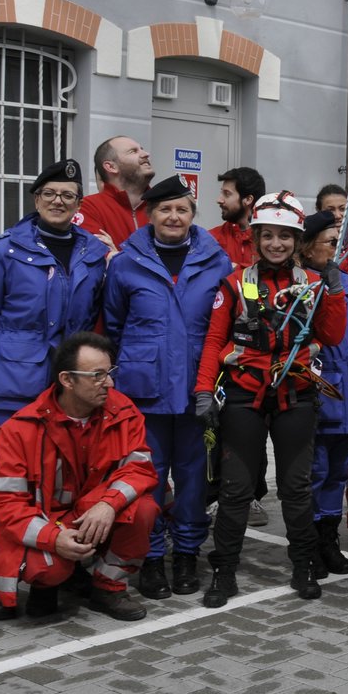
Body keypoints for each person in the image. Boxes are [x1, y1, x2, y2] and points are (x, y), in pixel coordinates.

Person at [196, 190, 347, 607]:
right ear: (256, 238)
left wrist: (334, 292)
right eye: (268, 236)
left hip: (294, 395)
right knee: (236, 489)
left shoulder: (313, 285)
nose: (276, 244)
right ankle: (224, 570)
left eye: (284, 236)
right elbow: (214, 342)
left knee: (296, 488)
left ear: (297, 241)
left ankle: (304, 564)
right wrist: (204, 391)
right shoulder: (234, 284)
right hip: (244, 394)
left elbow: (332, 336)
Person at [0, 160, 110, 614]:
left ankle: (59, 570)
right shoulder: (2, 251)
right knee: (3, 483)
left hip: (68, 387)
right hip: (10, 386)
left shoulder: (92, 252)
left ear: (78, 205)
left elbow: (92, 319)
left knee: (65, 481)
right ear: (35, 199)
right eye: (50, 193)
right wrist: (3, 362)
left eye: (68, 195)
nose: (58, 201)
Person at [101, 176, 230, 601]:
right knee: (147, 479)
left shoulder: (217, 262)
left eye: (182, 210)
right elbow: (115, 327)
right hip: (145, 391)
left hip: (198, 388)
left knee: (194, 480)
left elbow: (224, 326)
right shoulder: (125, 263)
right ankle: (151, 557)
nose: (173, 217)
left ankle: (187, 555)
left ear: (194, 216)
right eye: (165, 210)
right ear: (150, 215)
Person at [0, 333, 159, 622]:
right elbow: (1, 503)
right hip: (51, 521)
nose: (110, 383)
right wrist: (54, 538)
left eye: (110, 372)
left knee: (145, 508)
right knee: (47, 568)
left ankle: (107, 587)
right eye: (98, 375)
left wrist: (109, 504)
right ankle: (50, 583)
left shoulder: (122, 411)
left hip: (95, 510)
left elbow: (139, 468)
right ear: (67, 380)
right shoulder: (21, 429)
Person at [300, 210, 348, 580]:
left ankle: (329, 538)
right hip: (324, 391)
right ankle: (310, 542)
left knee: (339, 472)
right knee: (317, 470)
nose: (337, 249)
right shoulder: (303, 287)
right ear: (308, 249)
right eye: (330, 242)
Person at [76, 136, 152, 254]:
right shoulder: (88, 207)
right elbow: (98, 259)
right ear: (111, 167)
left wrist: (118, 256)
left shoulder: (162, 206)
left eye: (142, 149)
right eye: (133, 151)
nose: (146, 154)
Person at [209, 166, 265, 268]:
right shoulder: (211, 238)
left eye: (227, 194)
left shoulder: (268, 241)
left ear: (248, 199)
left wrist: (234, 268)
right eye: (221, 192)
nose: (219, 200)